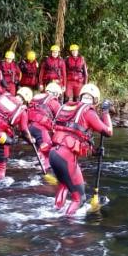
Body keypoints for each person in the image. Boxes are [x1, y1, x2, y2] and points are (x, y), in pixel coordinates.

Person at [48, 83, 113, 216]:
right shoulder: (88, 112)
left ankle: (55, 212)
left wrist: (94, 152)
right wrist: (105, 112)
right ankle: (67, 224)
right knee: (80, 199)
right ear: (95, 100)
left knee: (64, 184)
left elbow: (74, 137)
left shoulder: (67, 107)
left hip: (53, 153)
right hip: (65, 157)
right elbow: (108, 131)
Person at [28, 81, 63, 171]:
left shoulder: (35, 98)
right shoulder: (54, 102)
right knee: (47, 148)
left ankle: (38, 162)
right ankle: (44, 168)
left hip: (28, 128)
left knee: (41, 147)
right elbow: (61, 118)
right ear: (55, 93)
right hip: (40, 129)